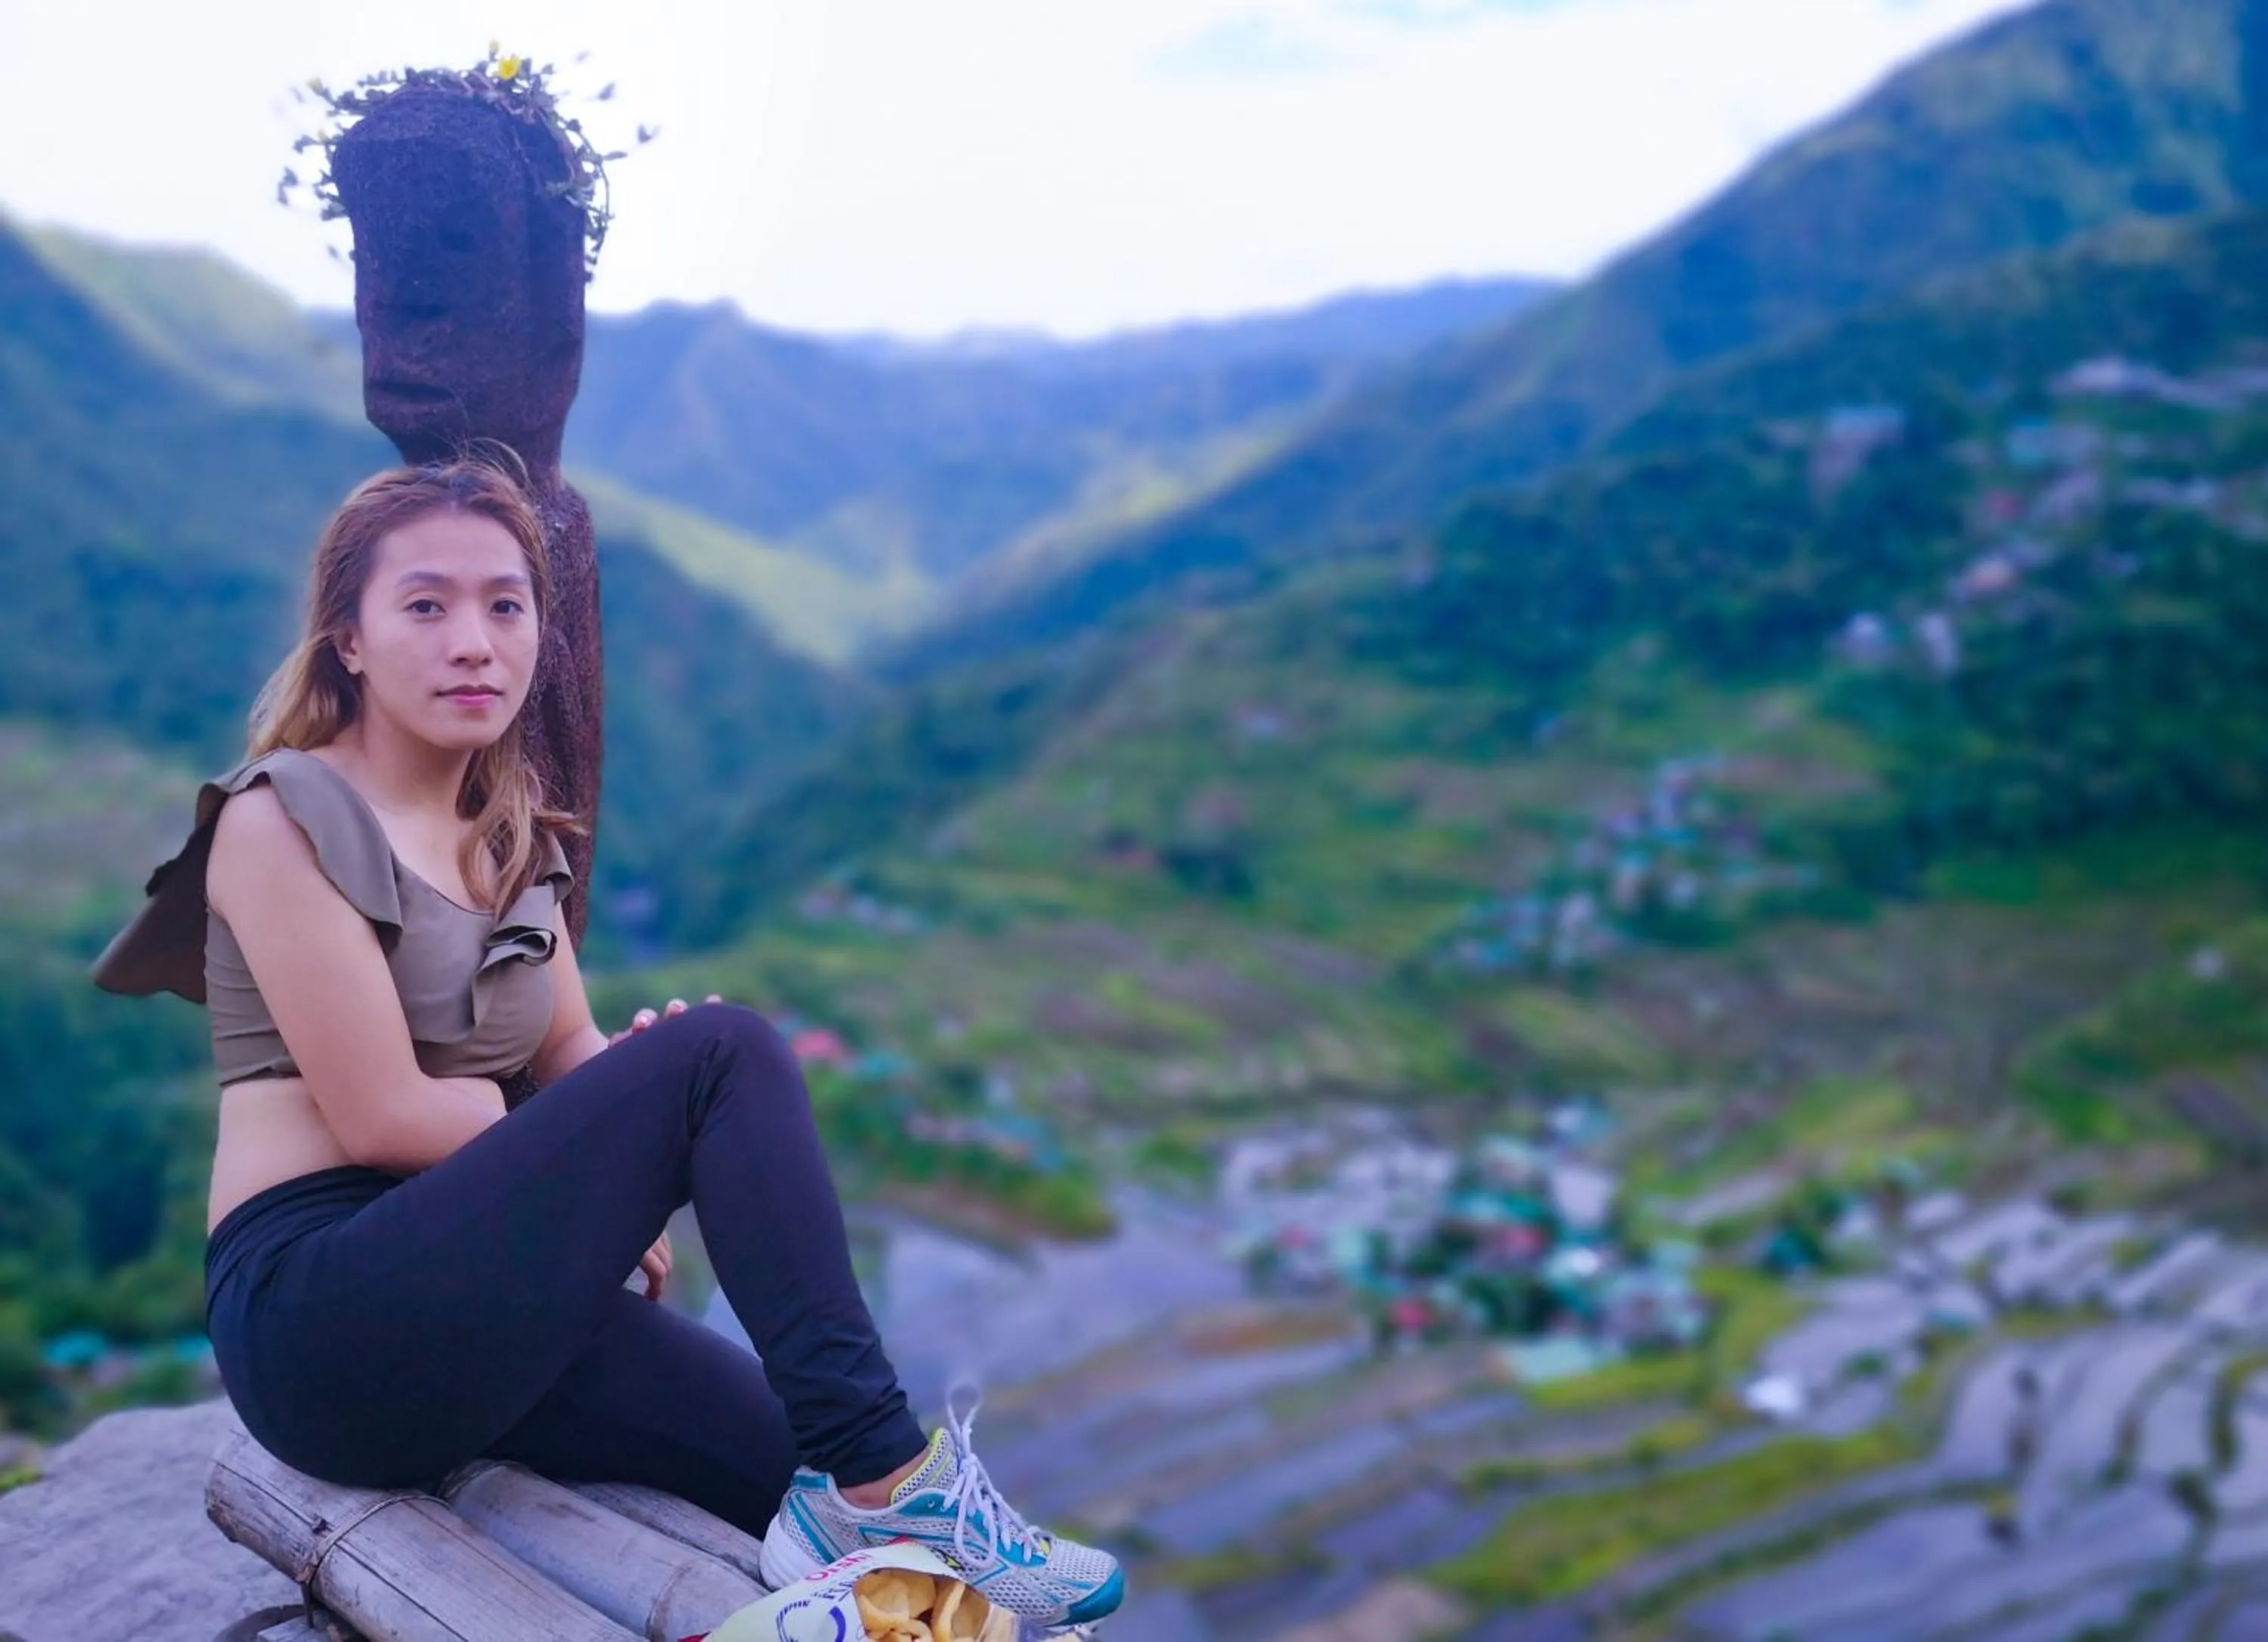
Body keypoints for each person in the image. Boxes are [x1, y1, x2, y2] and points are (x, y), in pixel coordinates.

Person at [91, 454, 1123, 1629]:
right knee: (722, 1053)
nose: (473, 641)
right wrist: (601, 1165)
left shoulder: (505, 832)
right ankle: (895, 1485)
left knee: (788, 1462)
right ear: (351, 640)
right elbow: (382, 1114)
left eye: (504, 606)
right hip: (325, 1317)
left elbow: (569, 1042)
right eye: (426, 606)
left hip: (480, 1305)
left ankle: (894, 1550)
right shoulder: (281, 819)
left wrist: (598, 1139)